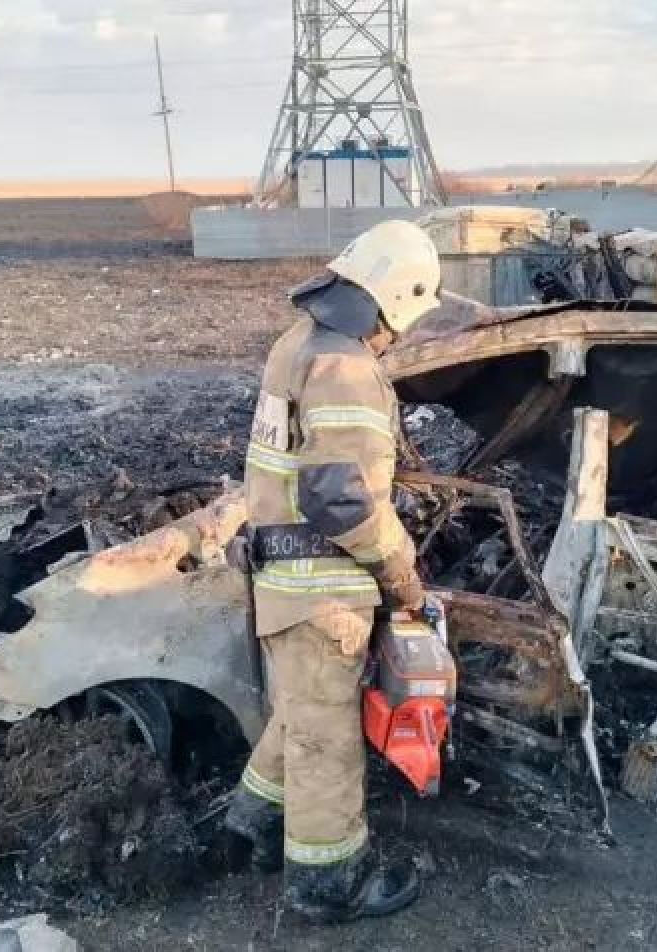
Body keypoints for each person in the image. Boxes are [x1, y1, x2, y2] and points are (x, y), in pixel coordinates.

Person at [224, 219, 441, 923]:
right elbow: (338, 496)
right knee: (327, 742)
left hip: (283, 580)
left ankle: (253, 823)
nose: (395, 338)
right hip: (322, 592)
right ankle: (329, 885)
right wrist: (399, 568)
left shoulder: (298, 343)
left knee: (301, 714)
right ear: (399, 299)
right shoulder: (345, 364)